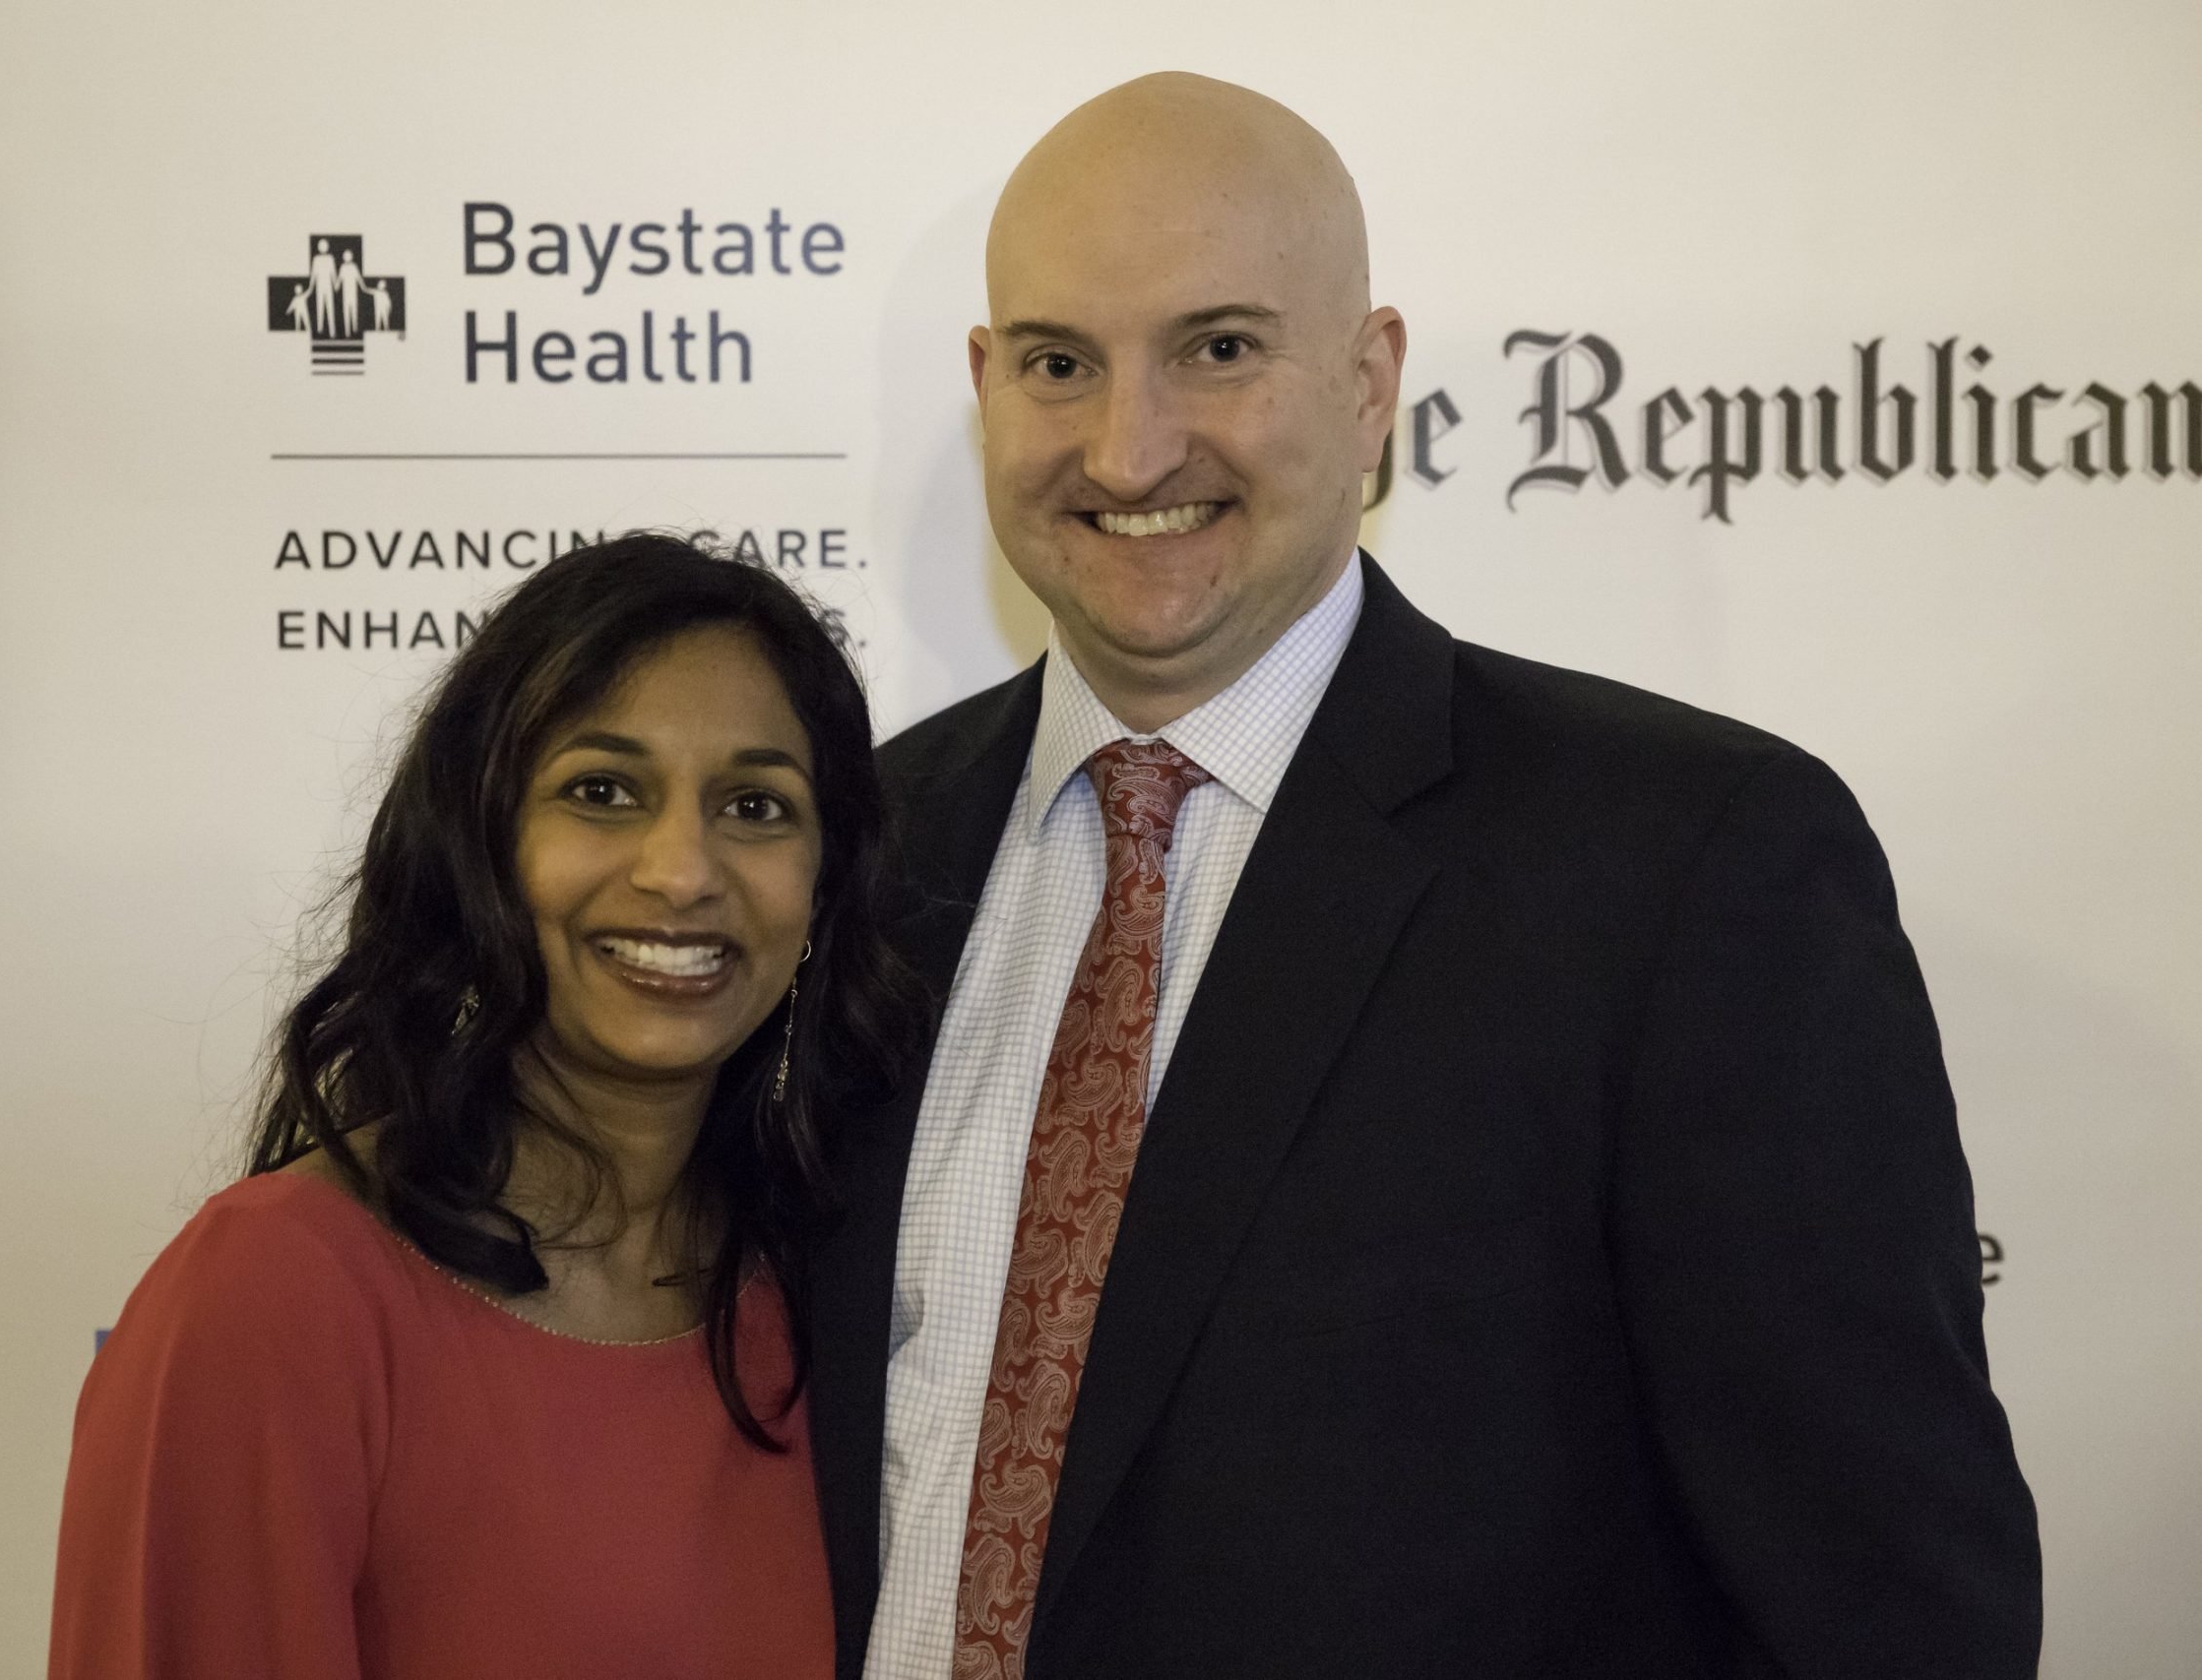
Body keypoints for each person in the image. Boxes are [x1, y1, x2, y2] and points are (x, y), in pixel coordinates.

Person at [810, 74, 2043, 1680]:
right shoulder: (853, 849)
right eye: (1061, 363)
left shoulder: (1687, 867)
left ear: (1370, 380)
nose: (1129, 444)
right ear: (988, 387)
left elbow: (1891, 1605)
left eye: (1219, 348)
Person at [50, 535, 917, 1679]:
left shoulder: (835, 1296)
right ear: (481, 849)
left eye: (755, 806)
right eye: (601, 792)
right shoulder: (276, 1294)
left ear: (822, 887)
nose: (681, 870)